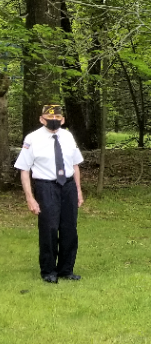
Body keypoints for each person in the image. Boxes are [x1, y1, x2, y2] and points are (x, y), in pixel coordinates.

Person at [15, 104, 85, 283]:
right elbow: (24, 170)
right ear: (41, 119)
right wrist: (30, 198)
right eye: (49, 120)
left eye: (57, 120)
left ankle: (66, 269)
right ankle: (48, 271)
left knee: (69, 228)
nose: (54, 123)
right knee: (49, 228)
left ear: (62, 119)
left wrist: (78, 190)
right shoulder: (32, 139)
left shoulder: (68, 136)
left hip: (68, 186)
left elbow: (75, 165)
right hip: (46, 187)